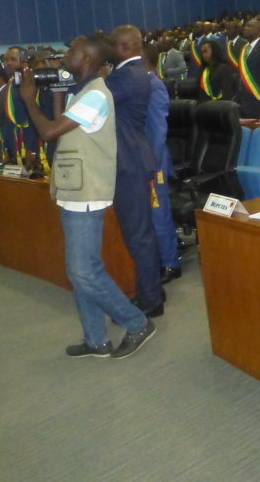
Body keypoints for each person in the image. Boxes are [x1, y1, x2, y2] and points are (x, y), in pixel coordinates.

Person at [19, 35, 156, 359]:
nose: (66, 54)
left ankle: (137, 323)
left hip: (87, 191)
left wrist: (29, 99)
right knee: (79, 270)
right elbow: (60, 130)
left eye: (72, 50)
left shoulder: (96, 94)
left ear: (88, 58)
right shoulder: (82, 92)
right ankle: (96, 339)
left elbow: (48, 132)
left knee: (84, 270)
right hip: (74, 188)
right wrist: (56, 95)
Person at [105, 25, 165, 316]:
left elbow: (91, 102)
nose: (108, 50)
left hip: (129, 162)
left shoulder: (126, 76)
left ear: (125, 46)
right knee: (141, 232)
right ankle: (153, 290)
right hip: (133, 158)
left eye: (111, 44)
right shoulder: (133, 71)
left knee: (138, 234)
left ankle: (151, 300)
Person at [142, 43, 181, 283]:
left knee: (159, 214)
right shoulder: (138, 84)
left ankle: (170, 263)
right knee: (147, 215)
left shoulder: (153, 85)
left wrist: (151, 164)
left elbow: (157, 131)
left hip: (153, 161)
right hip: (140, 159)